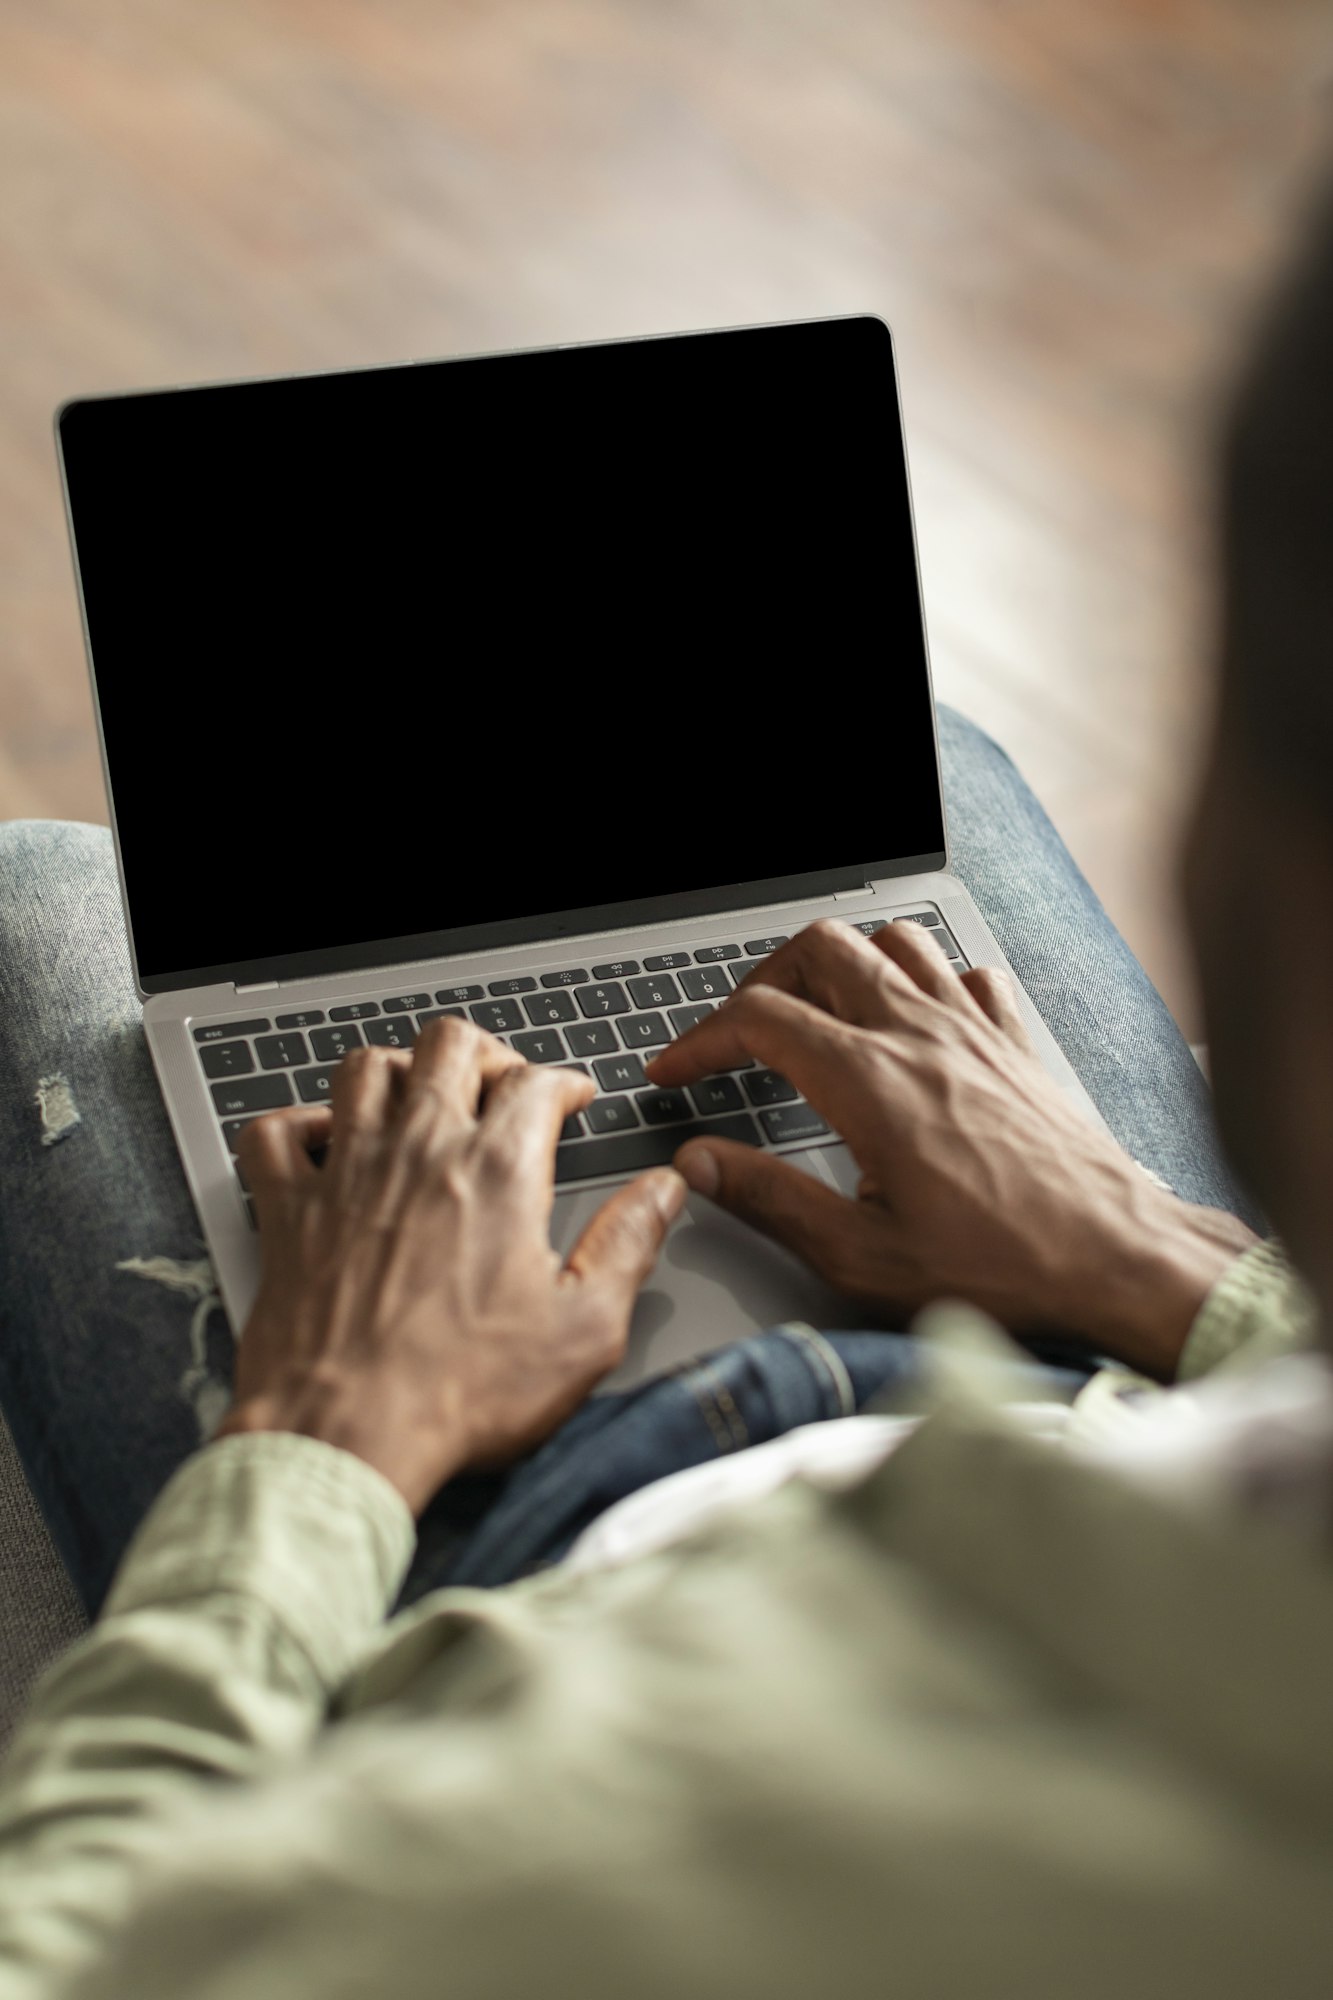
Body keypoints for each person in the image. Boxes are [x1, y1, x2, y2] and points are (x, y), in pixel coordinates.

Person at [0, 169, 1330, 2000]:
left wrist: (327, 1434)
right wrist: (1180, 1268)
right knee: (912, 771)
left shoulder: (562, 1856)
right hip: (1082, 1356)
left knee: (37, 895)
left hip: (516, 1522)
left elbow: (74, 1960)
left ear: (1246, 875)